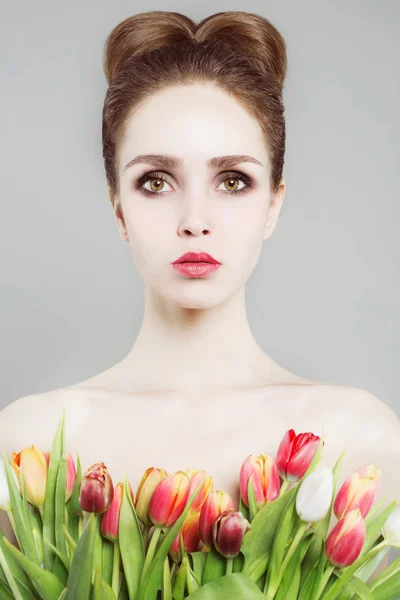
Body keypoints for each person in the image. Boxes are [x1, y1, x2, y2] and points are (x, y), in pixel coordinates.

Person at [1, 10, 399, 552]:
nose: (195, 218)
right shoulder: (32, 444)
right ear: (118, 210)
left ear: (273, 206)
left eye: (233, 180)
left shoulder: (363, 441)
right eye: (155, 181)